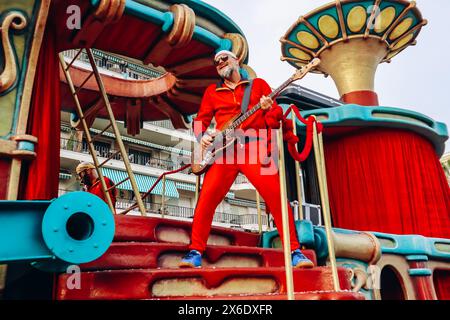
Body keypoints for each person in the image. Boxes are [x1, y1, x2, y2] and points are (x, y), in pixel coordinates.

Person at [179, 50, 313, 268]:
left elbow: (274, 120)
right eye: (216, 62)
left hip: (254, 147)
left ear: (236, 60)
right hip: (225, 153)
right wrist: (202, 137)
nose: (220, 63)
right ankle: (195, 251)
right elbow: (199, 121)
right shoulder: (212, 92)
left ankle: (294, 251)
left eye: (224, 58)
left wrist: (270, 109)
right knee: (206, 199)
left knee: (277, 197)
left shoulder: (258, 85)